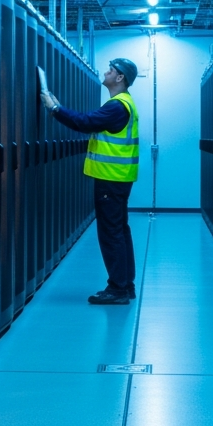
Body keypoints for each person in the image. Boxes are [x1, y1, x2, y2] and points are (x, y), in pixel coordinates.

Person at [41, 57, 141, 305]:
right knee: (120, 230)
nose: (106, 72)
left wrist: (54, 108)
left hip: (110, 178)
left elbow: (84, 122)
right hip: (118, 178)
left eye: (111, 70)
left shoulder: (118, 105)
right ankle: (125, 284)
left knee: (111, 233)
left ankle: (117, 289)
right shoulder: (122, 103)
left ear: (120, 78)